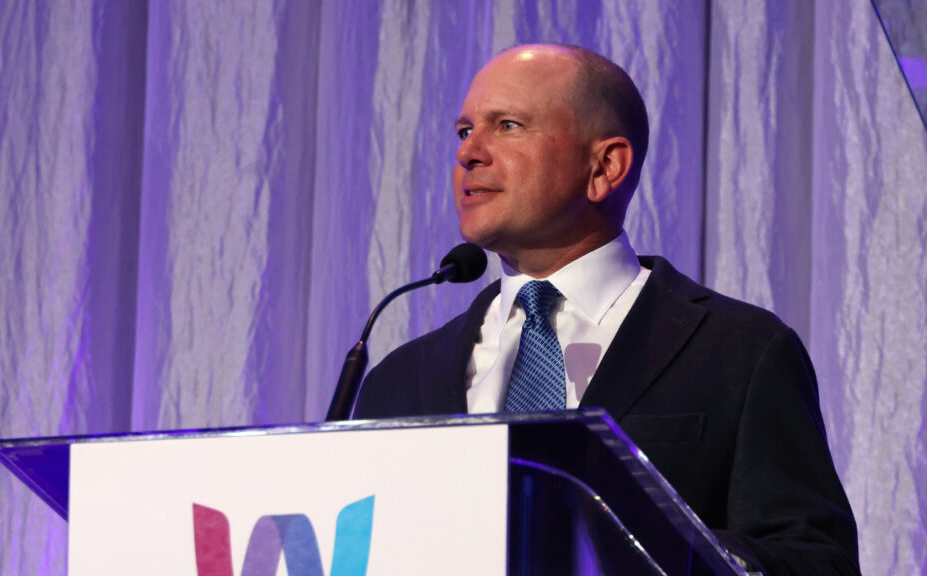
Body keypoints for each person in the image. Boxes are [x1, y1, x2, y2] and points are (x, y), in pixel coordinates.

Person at [352, 44, 860, 575]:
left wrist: (669, 545)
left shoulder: (740, 351)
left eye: (507, 125)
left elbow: (816, 561)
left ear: (605, 166)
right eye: (464, 131)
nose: (469, 153)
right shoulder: (397, 381)